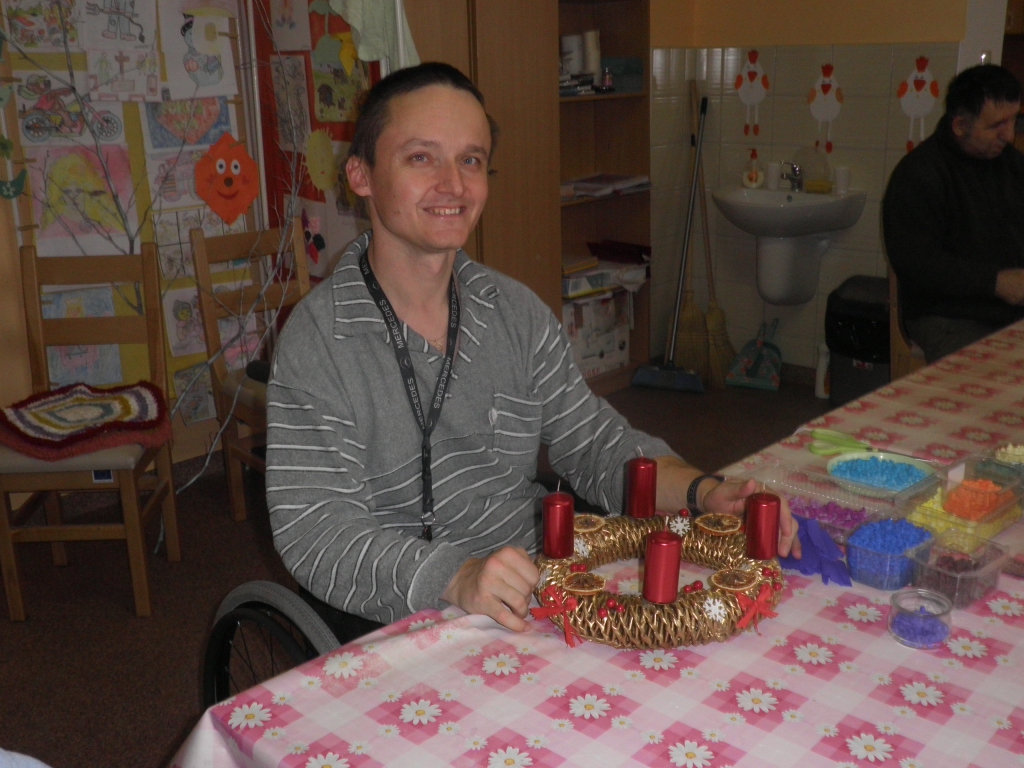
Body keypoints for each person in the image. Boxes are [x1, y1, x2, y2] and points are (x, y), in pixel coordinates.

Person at [266, 63, 799, 638]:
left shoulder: (514, 313)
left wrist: (705, 492)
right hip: (390, 616)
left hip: (527, 597)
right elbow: (316, 531)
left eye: (471, 160)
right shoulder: (318, 341)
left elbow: (597, 444)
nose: (453, 184)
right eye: (421, 157)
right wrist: (456, 576)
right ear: (361, 175)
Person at [883, 64, 1024, 362]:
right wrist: (995, 282)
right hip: (948, 316)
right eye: (996, 125)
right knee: (984, 371)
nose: (1009, 135)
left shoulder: (1013, 165)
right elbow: (917, 264)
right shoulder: (919, 174)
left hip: (1010, 311)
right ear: (960, 126)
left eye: (1014, 120)